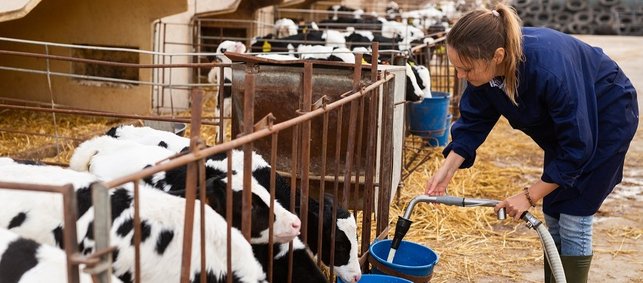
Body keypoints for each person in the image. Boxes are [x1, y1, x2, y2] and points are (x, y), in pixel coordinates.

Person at [424, 3, 638, 283]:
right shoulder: (488, 69)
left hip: (606, 114)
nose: (460, 76)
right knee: (554, 206)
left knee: (575, 211)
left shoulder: (548, 70)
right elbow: (474, 120)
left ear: (498, 56)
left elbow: (577, 147)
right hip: (567, 127)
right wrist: (447, 170)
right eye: (456, 67)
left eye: (465, 69)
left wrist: (528, 196)